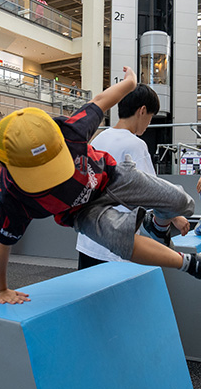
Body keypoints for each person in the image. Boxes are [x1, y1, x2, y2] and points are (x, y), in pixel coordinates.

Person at [0, 66, 201, 305]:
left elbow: (101, 100)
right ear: (9, 166)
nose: (53, 178)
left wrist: (129, 83)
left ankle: (158, 226)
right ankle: (195, 265)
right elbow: (1, 245)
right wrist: (0, 289)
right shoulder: (12, 195)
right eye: (41, 175)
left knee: (181, 201)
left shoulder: (71, 130)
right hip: (81, 212)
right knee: (121, 241)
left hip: (112, 177)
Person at [75, 83, 190, 269]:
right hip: (116, 244)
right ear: (142, 110)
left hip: (88, 238)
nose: (149, 123)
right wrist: (175, 216)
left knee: (91, 296)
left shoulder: (99, 138)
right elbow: (154, 193)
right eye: (151, 117)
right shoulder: (135, 145)